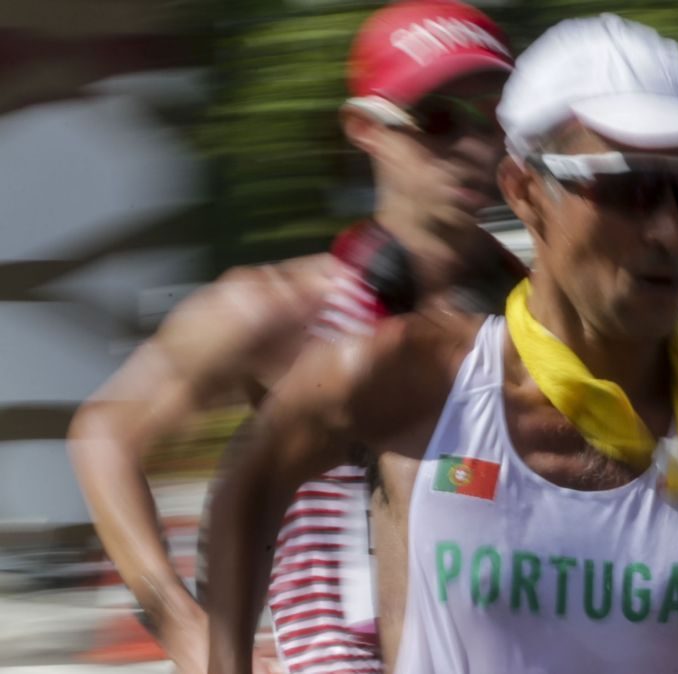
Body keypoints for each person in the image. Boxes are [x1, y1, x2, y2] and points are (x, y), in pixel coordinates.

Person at [206, 14, 678, 674]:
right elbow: (248, 489)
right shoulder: (412, 379)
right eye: (629, 188)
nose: (667, 230)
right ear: (525, 192)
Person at [67, 2, 520, 673]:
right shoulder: (277, 313)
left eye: (495, 121)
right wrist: (179, 620)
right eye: (440, 119)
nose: (474, 148)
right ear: (364, 128)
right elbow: (104, 432)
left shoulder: (533, 315)